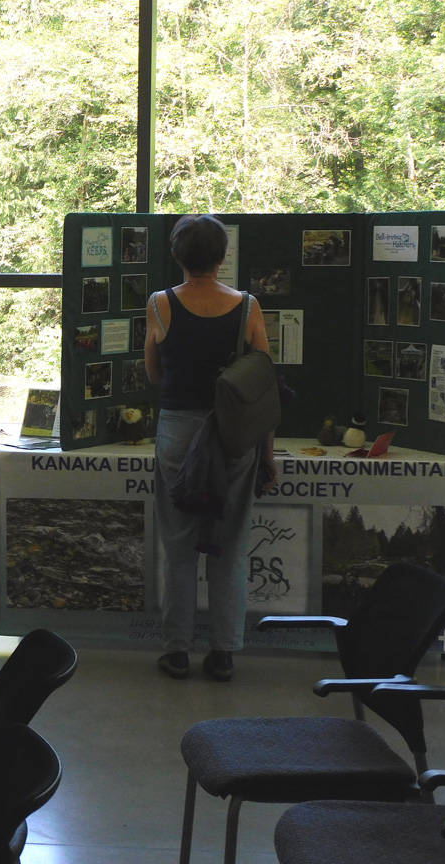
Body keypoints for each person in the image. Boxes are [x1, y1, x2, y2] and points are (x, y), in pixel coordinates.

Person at [144, 214, 277, 683]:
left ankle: (177, 652)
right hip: (232, 434)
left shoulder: (159, 304)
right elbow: (261, 387)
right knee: (230, 544)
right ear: (223, 257)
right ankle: (223, 654)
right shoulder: (249, 307)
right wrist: (267, 455)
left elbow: (155, 374)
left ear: (177, 255)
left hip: (178, 432)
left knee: (179, 545)